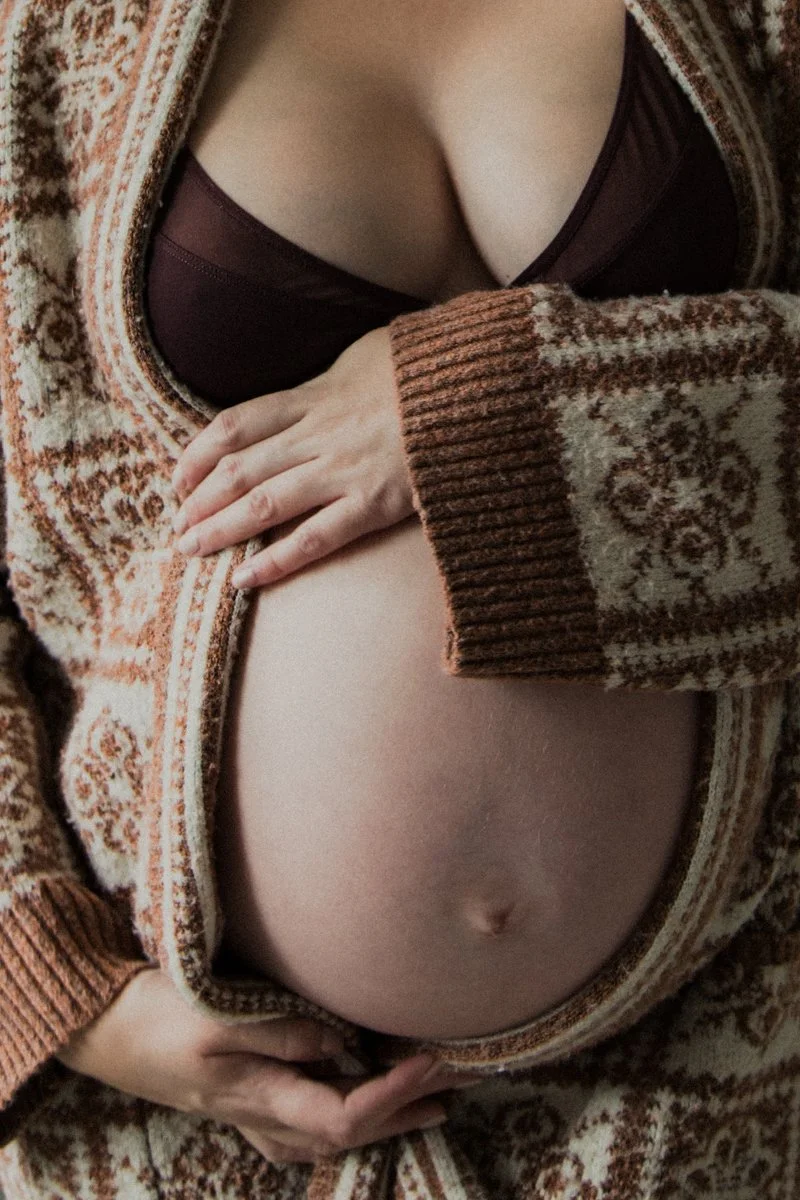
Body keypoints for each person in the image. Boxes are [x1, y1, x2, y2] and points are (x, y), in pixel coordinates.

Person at [0, 0, 798, 1196]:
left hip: (720, 1063)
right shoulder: (48, 31)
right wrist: (59, 991)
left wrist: (475, 413)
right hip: (196, 1112)